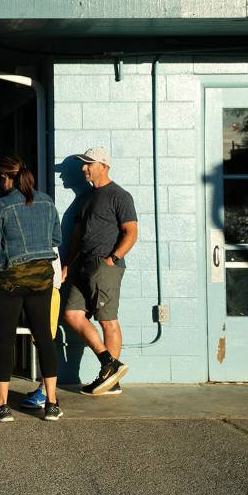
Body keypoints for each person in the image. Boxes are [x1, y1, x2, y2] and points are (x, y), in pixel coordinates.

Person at [0, 156, 64, 422]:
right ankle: (51, 403)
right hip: (41, 278)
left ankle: (2, 405)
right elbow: (56, 239)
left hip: (10, 280)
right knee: (44, 338)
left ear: (7, 177)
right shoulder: (47, 201)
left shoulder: (2, 205)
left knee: (5, 340)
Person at [62, 146, 138, 396]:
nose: (84, 168)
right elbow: (75, 236)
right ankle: (110, 363)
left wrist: (112, 259)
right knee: (72, 315)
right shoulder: (85, 197)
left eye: (89, 164)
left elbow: (131, 232)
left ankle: (111, 381)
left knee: (107, 319)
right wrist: (66, 263)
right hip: (80, 264)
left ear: (103, 166)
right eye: (83, 164)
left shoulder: (119, 195)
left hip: (104, 265)